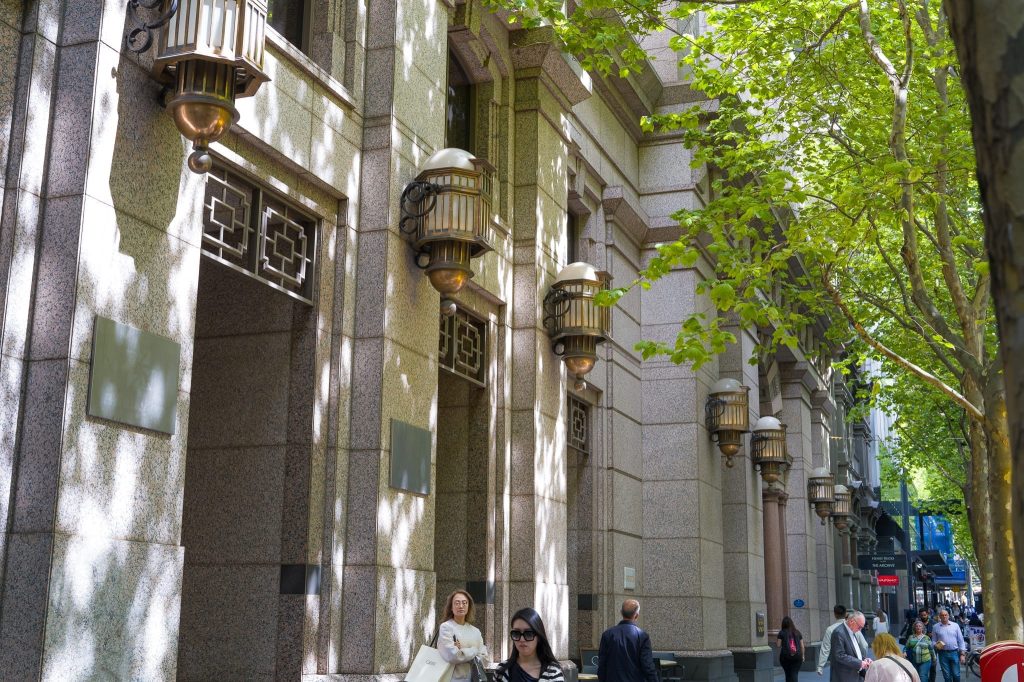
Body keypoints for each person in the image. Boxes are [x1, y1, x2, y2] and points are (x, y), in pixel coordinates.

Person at [494, 607, 564, 682]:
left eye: (528, 634)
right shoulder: (501, 670)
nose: (522, 639)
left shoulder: (553, 672)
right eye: (516, 633)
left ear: (539, 637)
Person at [597, 599, 659, 682]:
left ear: (621, 612)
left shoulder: (607, 634)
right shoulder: (642, 636)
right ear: (636, 615)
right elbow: (647, 665)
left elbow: (602, 664)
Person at [438, 590, 489, 682]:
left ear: (469, 606)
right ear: (451, 607)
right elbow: (453, 656)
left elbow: (485, 658)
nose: (461, 606)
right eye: (457, 603)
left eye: (464, 603)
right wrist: (474, 650)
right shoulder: (446, 627)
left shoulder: (476, 631)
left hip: (474, 678)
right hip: (453, 679)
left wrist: (462, 651)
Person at [819, 605, 870, 676]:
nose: (859, 629)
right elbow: (864, 645)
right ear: (846, 613)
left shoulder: (831, 629)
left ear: (835, 614)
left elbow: (825, 648)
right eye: (859, 627)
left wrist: (820, 666)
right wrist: (861, 660)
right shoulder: (845, 629)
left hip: (847, 668)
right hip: (848, 668)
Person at [830, 610, 873, 682]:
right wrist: (860, 663)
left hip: (855, 675)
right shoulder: (839, 633)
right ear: (851, 621)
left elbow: (854, 652)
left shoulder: (851, 631)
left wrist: (864, 659)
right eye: (859, 627)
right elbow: (839, 655)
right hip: (844, 677)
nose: (860, 630)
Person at [931, 608, 966, 682]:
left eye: (945, 615)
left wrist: (962, 654)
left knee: (956, 674)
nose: (944, 616)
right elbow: (933, 640)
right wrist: (936, 645)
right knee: (947, 676)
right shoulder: (935, 627)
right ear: (939, 616)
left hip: (954, 653)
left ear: (948, 616)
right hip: (942, 653)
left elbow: (961, 640)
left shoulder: (955, 625)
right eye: (942, 615)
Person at [778, 616, 806, 682]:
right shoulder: (798, 632)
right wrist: (803, 656)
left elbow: (778, 645)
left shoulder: (782, 632)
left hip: (785, 657)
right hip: (797, 656)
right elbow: (802, 646)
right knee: (794, 673)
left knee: (787, 674)